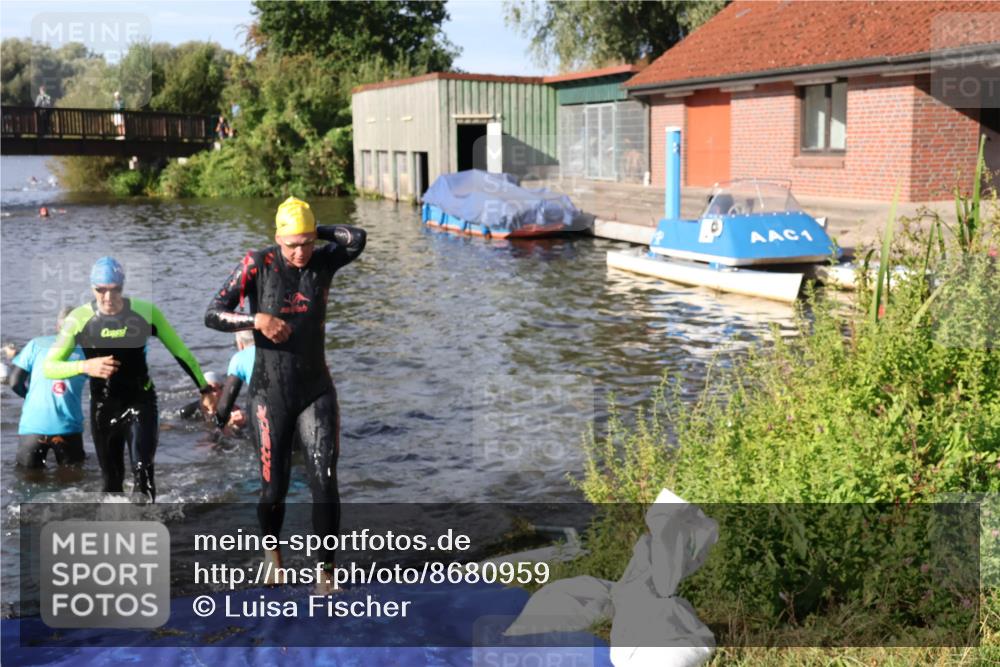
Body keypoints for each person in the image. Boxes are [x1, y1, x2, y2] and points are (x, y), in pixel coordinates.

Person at [205, 197, 365, 585]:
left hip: (315, 390)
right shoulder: (257, 264)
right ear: (276, 238)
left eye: (306, 242)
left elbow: (356, 239)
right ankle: (273, 557)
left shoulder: (324, 261)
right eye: (291, 243)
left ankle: (326, 572)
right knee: (273, 488)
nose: (299, 252)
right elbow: (212, 313)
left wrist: (317, 230)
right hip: (268, 393)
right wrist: (255, 320)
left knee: (325, 480)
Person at [45, 257, 215, 502]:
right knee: (111, 482)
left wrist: (204, 388)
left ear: (122, 288)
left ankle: (145, 528)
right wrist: (86, 365)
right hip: (103, 407)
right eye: (100, 290)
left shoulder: (145, 313)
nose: (107, 297)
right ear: (92, 289)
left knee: (143, 473)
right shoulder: (79, 319)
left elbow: (181, 353)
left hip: (141, 402)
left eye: (114, 290)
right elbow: (49, 367)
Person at [9, 308, 87, 468]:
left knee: (27, 480)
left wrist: (28, 396)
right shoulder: (87, 352)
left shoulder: (35, 345)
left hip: (33, 427)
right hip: (68, 428)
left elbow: (14, 382)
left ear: (57, 327)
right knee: (73, 482)